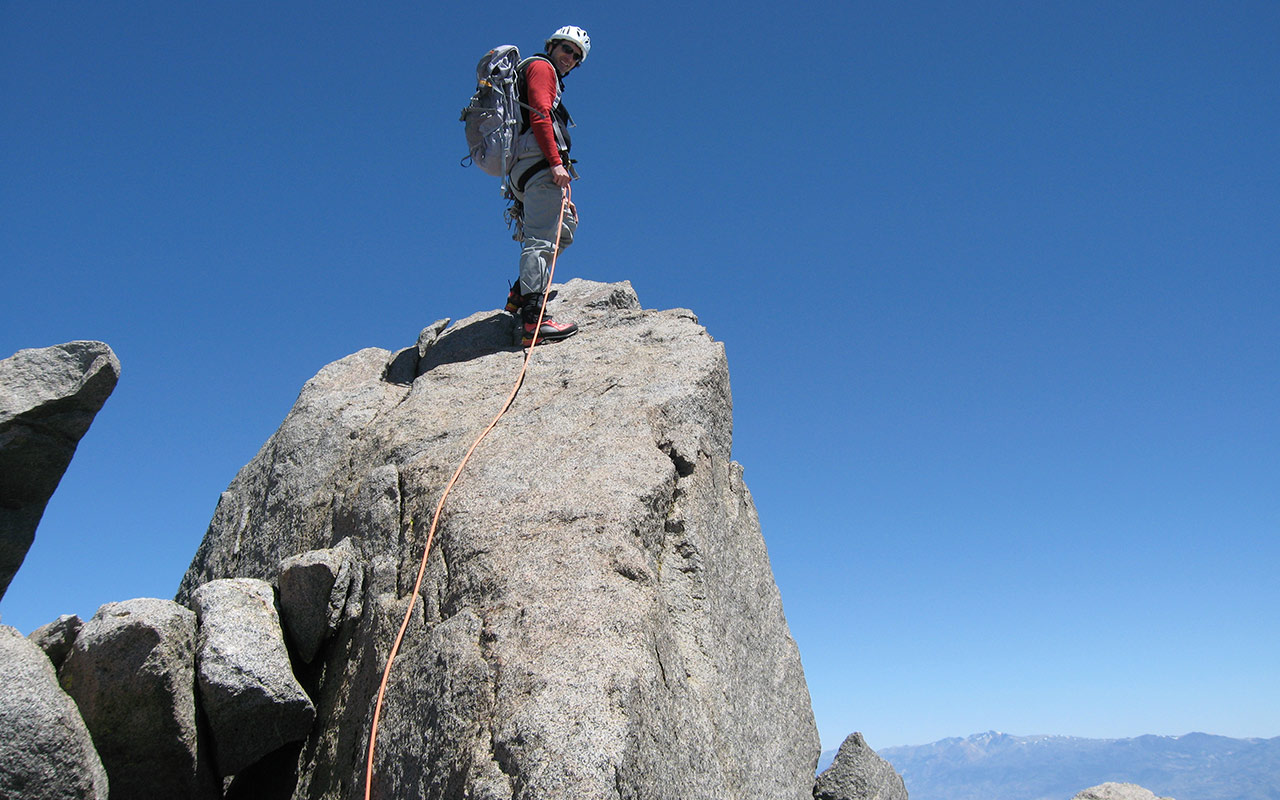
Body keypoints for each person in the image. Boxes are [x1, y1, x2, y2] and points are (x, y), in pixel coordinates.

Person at [503, 25, 590, 347]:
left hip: (528, 168)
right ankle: (533, 321)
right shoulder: (541, 67)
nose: (570, 58)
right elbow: (540, 115)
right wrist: (554, 162)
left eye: (576, 56)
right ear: (552, 46)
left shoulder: (543, 70)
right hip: (539, 164)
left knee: (563, 230)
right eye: (567, 49)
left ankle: (519, 292)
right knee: (541, 240)